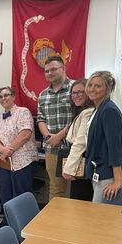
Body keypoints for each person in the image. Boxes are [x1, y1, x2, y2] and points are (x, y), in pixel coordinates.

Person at [0, 86, 38, 230]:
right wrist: (2, 150)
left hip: (23, 161)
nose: (3, 98)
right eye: (0, 96)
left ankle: (24, 224)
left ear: (13, 96)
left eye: (6, 95)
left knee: (21, 196)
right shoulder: (0, 117)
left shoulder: (23, 112)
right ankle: (8, 221)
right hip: (6, 162)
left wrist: (8, 150)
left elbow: (25, 134)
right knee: (6, 193)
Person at [85, 71, 122, 202]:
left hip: (110, 175)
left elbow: (114, 147)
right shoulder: (99, 109)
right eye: (90, 85)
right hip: (100, 171)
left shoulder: (109, 110)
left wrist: (117, 180)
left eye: (98, 86)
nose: (92, 89)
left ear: (107, 89)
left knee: (100, 217)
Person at [37, 56, 73, 200]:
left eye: (53, 69)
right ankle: (55, 221)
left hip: (75, 148)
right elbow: (41, 119)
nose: (49, 73)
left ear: (63, 69)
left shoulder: (77, 88)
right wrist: (48, 136)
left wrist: (59, 136)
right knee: (56, 189)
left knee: (81, 189)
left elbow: (82, 116)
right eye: (46, 71)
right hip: (52, 149)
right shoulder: (43, 94)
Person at [62, 79, 94, 201]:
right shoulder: (82, 111)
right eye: (74, 93)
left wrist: (69, 169)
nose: (76, 96)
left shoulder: (87, 113)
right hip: (81, 162)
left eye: (81, 92)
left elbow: (80, 144)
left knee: (79, 202)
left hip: (82, 162)